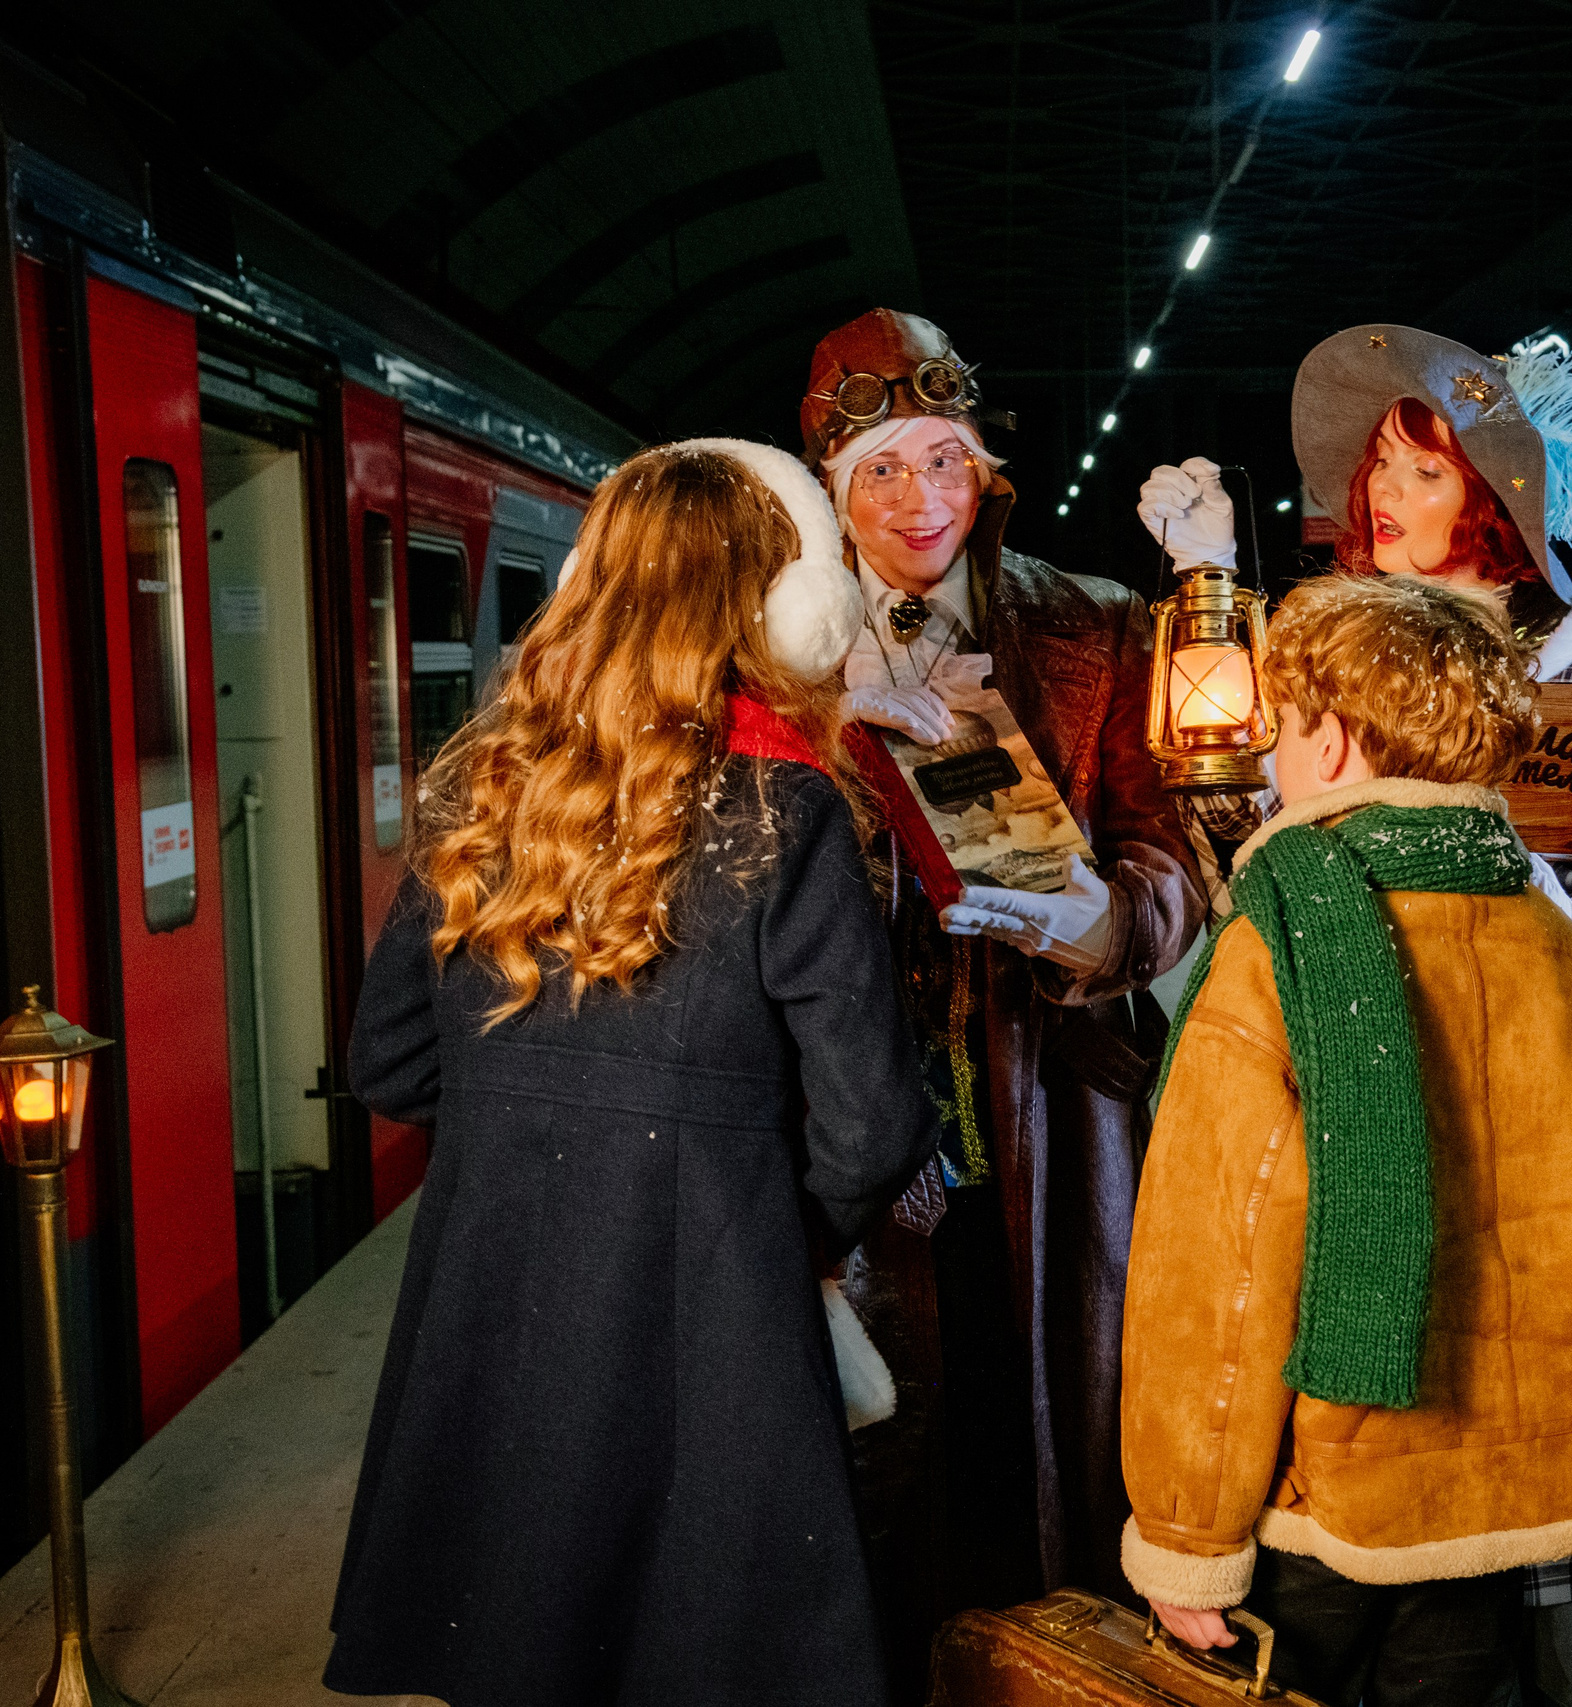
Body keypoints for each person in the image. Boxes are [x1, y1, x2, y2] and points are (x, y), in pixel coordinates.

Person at [1138, 324, 1572, 1704]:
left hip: (1542, 1157)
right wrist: (1206, 590)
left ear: (1493, 490)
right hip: (1368, 1132)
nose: (1381, 506)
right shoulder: (1344, 656)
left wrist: (1537, 931)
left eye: (1418, 475)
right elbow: (1251, 845)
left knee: (1537, 1553)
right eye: (1375, 480)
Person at [323, 440, 941, 1707]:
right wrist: (764, 1225)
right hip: (713, 1315)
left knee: (518, 1640)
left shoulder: (480, 787)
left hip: (493, 1297)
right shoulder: (788, 809)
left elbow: (384, 1063)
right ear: (777, 608)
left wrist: (533, 1132)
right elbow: (874, 1125)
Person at [1121, 574, 1572, 1707]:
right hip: (1508, 1497)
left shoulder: (1281, 948)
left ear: (1338, 745)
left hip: (1322, 1498)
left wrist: (1185, 1528)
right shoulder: (1562, 948)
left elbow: (1215, 1268)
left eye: (1288, 725)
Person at [800, 309, 1208, 1672]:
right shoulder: (779, 661)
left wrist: (1108, 918)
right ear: (833, 486)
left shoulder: (1095, 626)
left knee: (1051, 1463)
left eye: (946, 462)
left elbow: (1176, 847)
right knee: (874, 1472)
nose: (921, 500)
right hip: (852, 1137)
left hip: (1051, 1121)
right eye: (882, 470)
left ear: (990, 474)